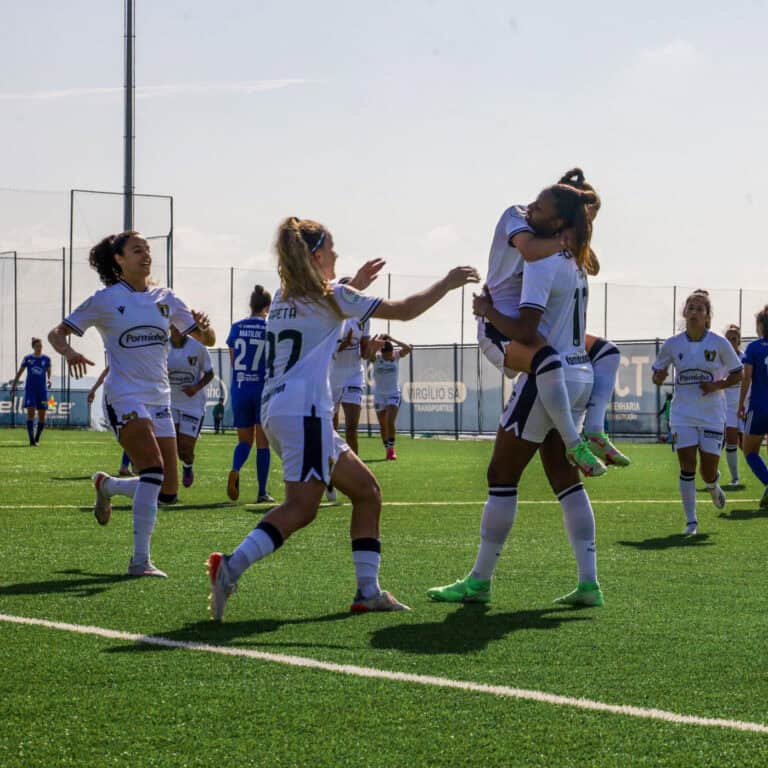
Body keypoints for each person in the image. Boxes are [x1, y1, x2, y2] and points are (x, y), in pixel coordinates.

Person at [207, 216, 479, 621]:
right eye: (331, 249)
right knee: (302, 507)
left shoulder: (283, 296)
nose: (336, 255)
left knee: (367, 492)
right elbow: (404, 310)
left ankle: (368, 592)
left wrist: (356, 285)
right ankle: (230, 566)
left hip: (282, 410)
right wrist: (447, 282)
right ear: (317, 256)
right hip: (304, 412)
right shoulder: (333, 295)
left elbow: (326, 306)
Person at [429, 182, 605, 607]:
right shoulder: (576, 261)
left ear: (558, 222)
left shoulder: (541, 260)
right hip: (579, 374)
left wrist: (487, 311)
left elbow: (526, 331)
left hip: (548, 377)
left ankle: (479, 582)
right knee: (564, 480)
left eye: (540, 207)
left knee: (501, 476)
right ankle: (589, 585)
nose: (531, 209)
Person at [48, 230, 215, 578]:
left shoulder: (166, 298)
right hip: (123, 395)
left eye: (147, 249)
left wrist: (205, 327)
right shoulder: (106, 299)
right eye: (137, 250)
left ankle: (108, 486)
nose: (146, 255)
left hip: (160, 399)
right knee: (152, 470)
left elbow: (206, 339)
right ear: (119, 260)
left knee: (167, 492)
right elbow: (57, 333)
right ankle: (140, 561)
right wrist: (70, 352)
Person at [651, 290, 743, 535]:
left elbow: (738, 373)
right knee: (687, 465)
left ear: (707, 316)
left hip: (712, 414)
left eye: (700, 309)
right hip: (682, 414)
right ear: (685, 312)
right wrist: (659, 376)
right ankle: (691, 522)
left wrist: (716, 385)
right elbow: (657, 376)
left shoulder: (718, 343)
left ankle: (713, 485)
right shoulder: (672, 344)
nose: (694, 312)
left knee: (708, 472)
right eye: (691, 308)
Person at [226, 285, 273, 504]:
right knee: (263, 443)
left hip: (240, 388)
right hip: (262, 389)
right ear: (267, 307)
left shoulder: (236, 327)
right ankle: (262, 492)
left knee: (244, 441)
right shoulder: (270, 328)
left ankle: (235, 469)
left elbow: (233, 360)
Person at [168, 324, 214, 488]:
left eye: (179, 326)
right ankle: (169, 487)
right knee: (171, 446)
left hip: (192, 404)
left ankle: (188, 466)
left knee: (185, 450)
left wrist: (196, 387)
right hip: (169, 403)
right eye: (173, 326)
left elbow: (210, 373)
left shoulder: (198, 348)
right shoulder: (162, 347)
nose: (176, 329)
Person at [329, 281, 371, 457]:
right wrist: (343, 345)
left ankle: (355, 468)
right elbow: (325, 351)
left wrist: (372, 349)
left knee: (352, 428)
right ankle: (332, 465)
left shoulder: (364, 317)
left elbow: (365, 354)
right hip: (332, 376)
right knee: (331, 429)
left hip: (354, 375)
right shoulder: (331, 316)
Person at [738, 306, 768, 508]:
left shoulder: (753, 348)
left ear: (760, 326)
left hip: (758, 407)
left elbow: (746, 378)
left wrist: (741, 403)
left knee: (749, 451)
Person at [368, 334, 411, 460]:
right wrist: (377, 345)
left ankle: (392, 449)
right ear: (382, 353)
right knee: (383, 425)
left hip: (393, 394)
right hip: (379, 395)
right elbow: (369, 355)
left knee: (389, 421)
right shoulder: (376, 358)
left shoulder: (396, 356)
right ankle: (387, 449)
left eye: (391, 353)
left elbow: (408, 348)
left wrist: (392, 339)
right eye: (387, 355)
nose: (389, 356)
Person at [87, 367, 133, 475]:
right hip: (114, 405)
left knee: (134, 435)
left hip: (126, 402)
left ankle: (127, 466)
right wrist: (93, 390)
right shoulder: (118, 361)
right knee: (131, 437)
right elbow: (106, 372)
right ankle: (128, 466)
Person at [10, 338, 52, 446]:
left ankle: (37, 438)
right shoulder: (28, 358)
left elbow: (49, 372)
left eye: (40, 346)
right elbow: (20, 372)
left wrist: (49, 379)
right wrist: (14, 384)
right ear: (33, 347)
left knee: (42, 416)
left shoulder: (46, 359)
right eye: (37, 346)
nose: (39, 348)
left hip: (42, 391)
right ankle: (31, 440)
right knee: (31, 414)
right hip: (30, 390)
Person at [722, 324, 744, 487]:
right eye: (728, 338)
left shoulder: (745, 358)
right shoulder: (721, 359)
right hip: (728, 407)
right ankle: (735, 478)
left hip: (745, 406)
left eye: (734, 338)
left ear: (739, 341)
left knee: (747, 445)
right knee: (731, 441)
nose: (731, 341)